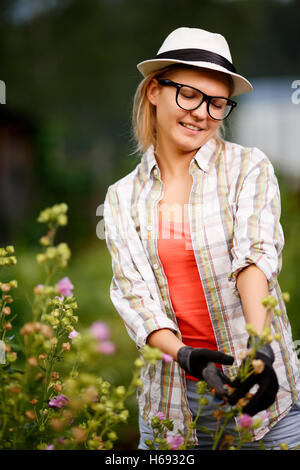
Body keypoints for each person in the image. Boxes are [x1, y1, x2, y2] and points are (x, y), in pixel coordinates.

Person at [103, 27, 300, 450]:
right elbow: (134, 295)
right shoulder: (122, 198)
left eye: (216, 103)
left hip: (264, 393)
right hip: (174, 404)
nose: (201, 114)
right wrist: (184, 355)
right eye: (189, 95)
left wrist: (260, 348)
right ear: (155, 91)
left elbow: (255, 259)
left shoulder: (249, 168)